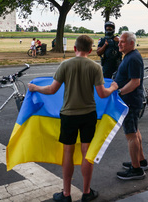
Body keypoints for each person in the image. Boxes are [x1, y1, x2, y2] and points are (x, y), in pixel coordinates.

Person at [28, 35, 119, 202]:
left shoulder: (65, 65)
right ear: (91, 50)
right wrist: (112, 87)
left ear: (75, 48)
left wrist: (35, 88)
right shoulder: (95, 67)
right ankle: (86, 192)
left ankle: (66, 194)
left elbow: (52, 90)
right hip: (88, 115)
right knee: (87, 153)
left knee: (68, 152)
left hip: (68, 115)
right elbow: (102, 93)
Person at [114, 31, 148, 180]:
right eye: (119, 41)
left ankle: (136, 169)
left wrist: (118, 92)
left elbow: (135, 82)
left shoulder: (133, 58)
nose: (119, 44)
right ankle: (141, 161)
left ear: (131, 43)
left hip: (130, 101)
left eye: (122, 41)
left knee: (130, 135)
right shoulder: (130, 56)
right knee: (135, 131)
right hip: (131, 100)